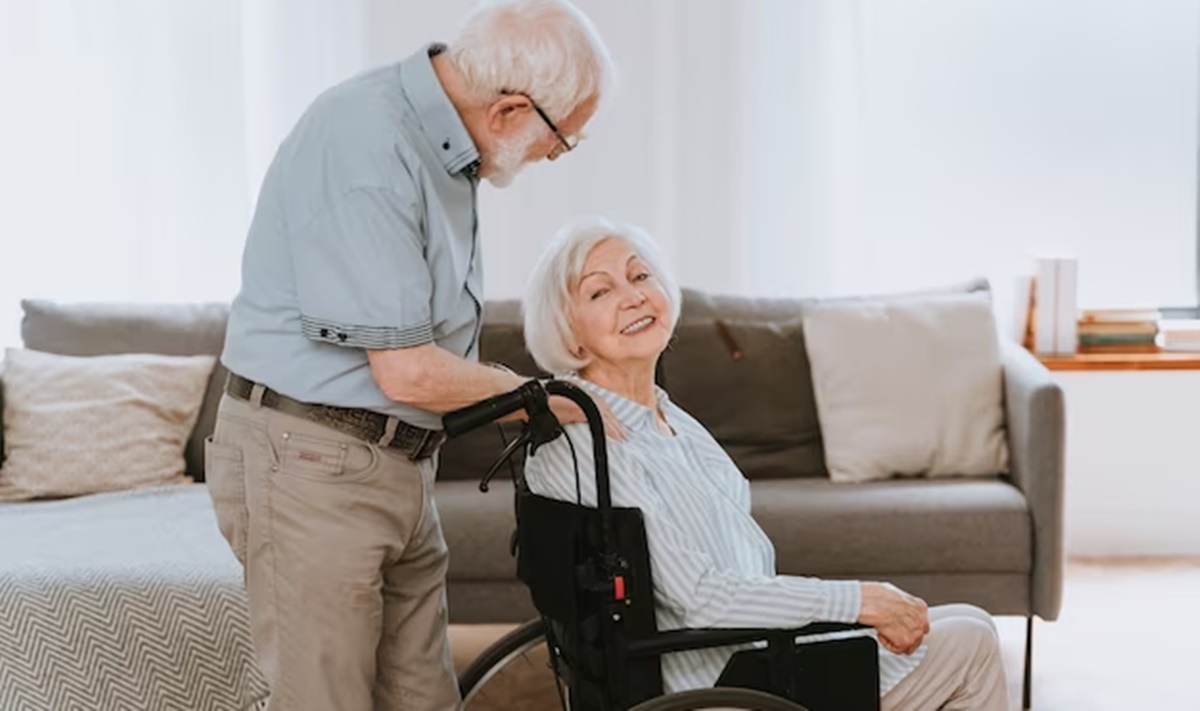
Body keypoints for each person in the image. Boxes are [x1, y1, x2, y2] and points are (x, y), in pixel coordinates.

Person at [204, 2, 616, 709]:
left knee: (425, 699)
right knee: (324, 699)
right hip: (313, 463)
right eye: (563, 140)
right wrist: (538, 398)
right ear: (512, 110)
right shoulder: (367, 143)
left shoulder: (444, 149)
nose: (555, 155)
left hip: (395, 463)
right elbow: (406, 369)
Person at [520, 215, 1012, 711]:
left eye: (641, 276)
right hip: (716, 686)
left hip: (753, 652)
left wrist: (849, 610)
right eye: (600, 292)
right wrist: (858, 601)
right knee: (969, 646)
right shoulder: (588, 445)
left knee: (968, 622)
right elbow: (699, 596)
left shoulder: (669, 418)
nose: (633, 296)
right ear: (570, 334)